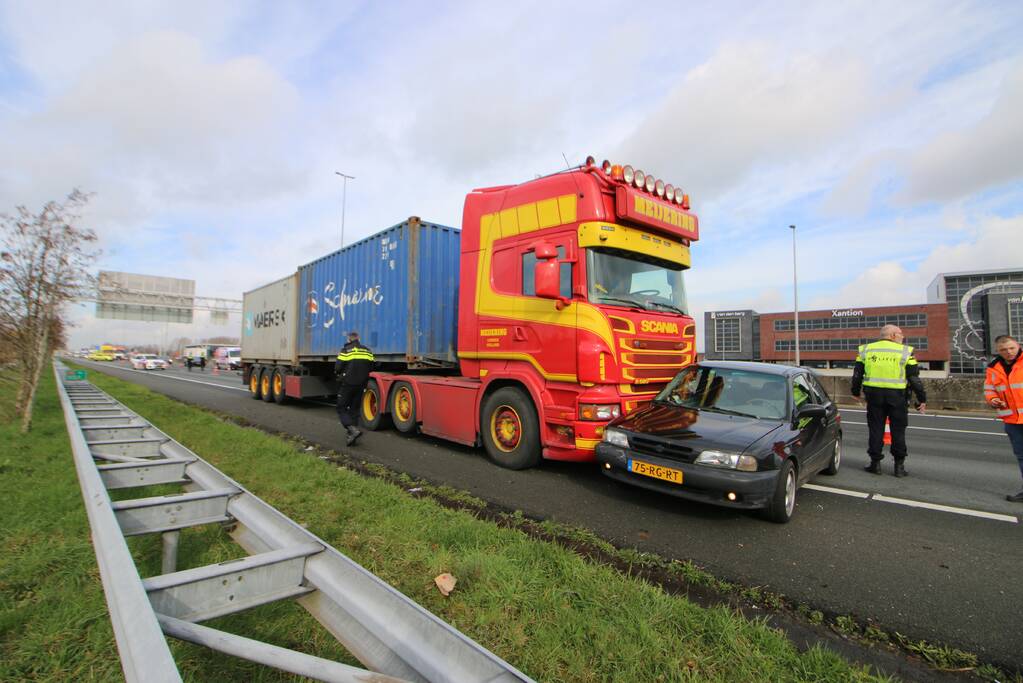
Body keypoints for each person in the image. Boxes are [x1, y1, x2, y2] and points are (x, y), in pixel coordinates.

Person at [851, 324, 927, 477]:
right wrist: (921, 398)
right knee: (898, 431)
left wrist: (855, 392)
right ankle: (899, 467)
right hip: (897, 397)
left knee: (876, 429)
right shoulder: (905, 351)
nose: (902, 336)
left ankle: (875, 464)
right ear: (892, 335)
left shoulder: (866, 350)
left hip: (873, 396)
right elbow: (914, 379)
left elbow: (857, 374)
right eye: (900, 333)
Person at [983, 335, 1023, 502]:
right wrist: (993, 400)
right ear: (998, 351)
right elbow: (990, 389)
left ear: (1018, 345)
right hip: (1012, 420)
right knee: (1021, 456)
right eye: (1004, 350)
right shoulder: (993, 368)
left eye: (1012, 348)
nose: (1009, 352)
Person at [335, 331, 375, 446]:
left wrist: (341, 375)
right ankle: (352, 437)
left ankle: (352, 429)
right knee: (354, 410)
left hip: (348, 384)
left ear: (349, 339)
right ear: (359, 338)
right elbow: (372, 366)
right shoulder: (367, 350)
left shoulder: (346, 350)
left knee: (341, 407)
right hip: (362, 384)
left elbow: (338, 367)